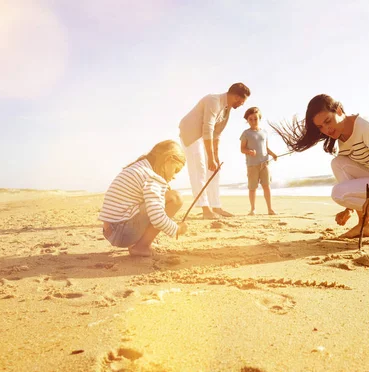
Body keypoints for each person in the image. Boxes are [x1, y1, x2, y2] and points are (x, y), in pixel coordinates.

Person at [270, 94, 369, 239]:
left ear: (339, 111)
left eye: (328, 121)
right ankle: (365, 224)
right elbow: (353, 179)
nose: (327, 129)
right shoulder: (342, 137)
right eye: (320, 127)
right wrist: (349, 209)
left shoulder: (365, 127)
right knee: (338, 163)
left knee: (338, 192)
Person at [99, 140, 187, 257]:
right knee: (175, 198)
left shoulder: (140, 167)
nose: (174, 176)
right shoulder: (152, 177)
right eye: (176, 170)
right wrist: (177, 229)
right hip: (121, 233)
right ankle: (141, 246)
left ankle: (139, 243)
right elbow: (157, 217)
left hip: (111, 231)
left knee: (159, 198)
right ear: (168, 160)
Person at [179, 82, 251, 219]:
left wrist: (215, 157)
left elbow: (217, 134)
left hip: (204, 136)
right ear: (236, 97)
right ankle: (206, 210)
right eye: (242, 101)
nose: (242, 104)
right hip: (190, 134)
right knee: (199, 169)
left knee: (214, 169)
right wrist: (210, 158)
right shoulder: (214, 101)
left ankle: (216, 206)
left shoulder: (226, 109)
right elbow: (208, 129)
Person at [240, 106, 278, 215]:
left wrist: (273, 154)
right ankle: (252, 209)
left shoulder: (264, 132)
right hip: (252, 165)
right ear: (247, 120)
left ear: (259, 119)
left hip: (264, 164)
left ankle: (270, 209)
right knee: (252, 188)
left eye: (255, 119)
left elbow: (266, 148)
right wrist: (249, 151)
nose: (253, 121)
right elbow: (242, 149)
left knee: (266, 186)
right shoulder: (246, 133)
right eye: (250, 119)